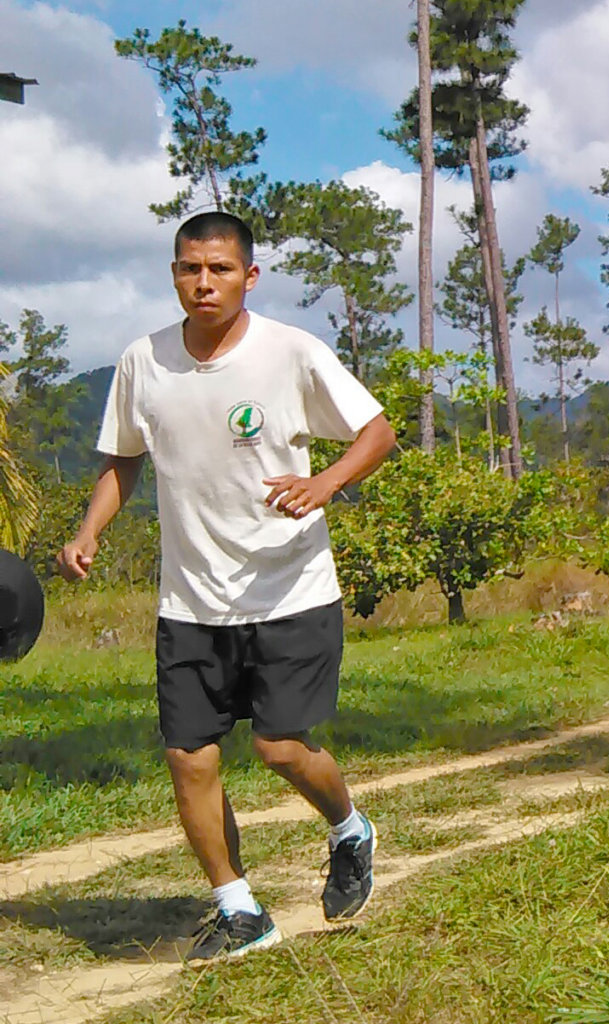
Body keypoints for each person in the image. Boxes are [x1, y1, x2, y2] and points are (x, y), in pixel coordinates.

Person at [57, 211, 396, 963]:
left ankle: (349, 829)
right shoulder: (143, 360)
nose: (203, 283)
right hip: (191, 600)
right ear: (174, 275)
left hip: (290, 589)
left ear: (250, 276)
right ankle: (239, 909)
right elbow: (123, 459)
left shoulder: (291, 352)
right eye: (189, 269)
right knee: (189, 756)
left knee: (281, 748)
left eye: (219, 269)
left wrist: (325, 482)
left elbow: (377, 433)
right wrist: (88, 531)